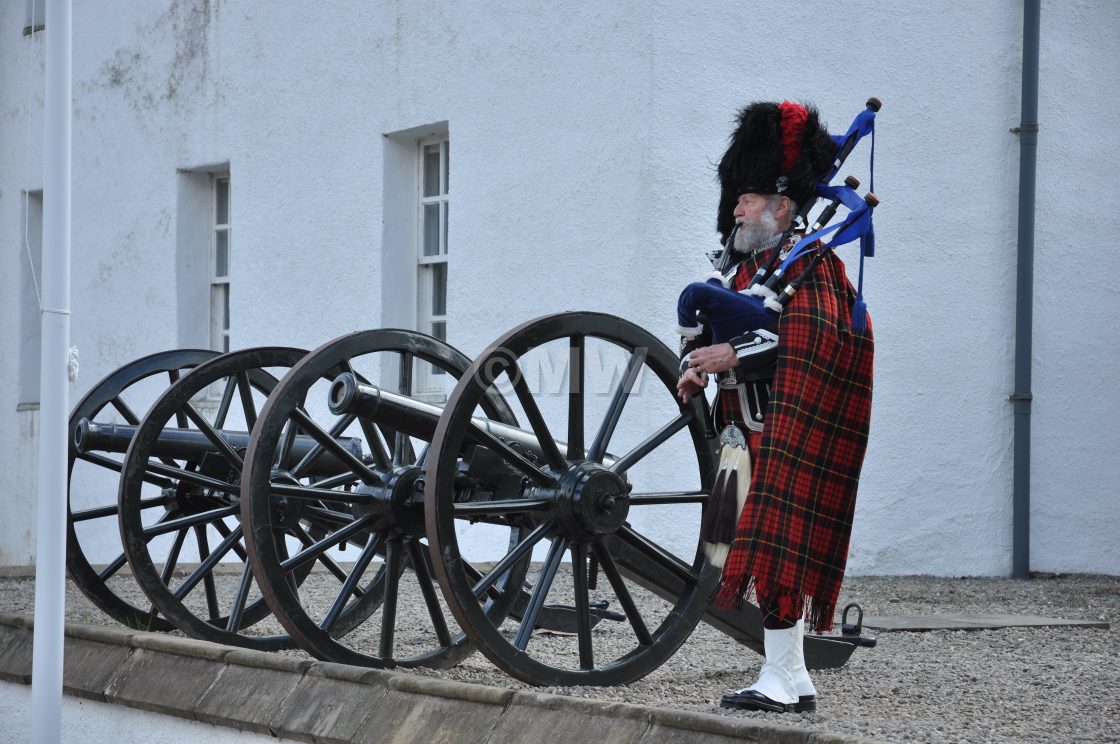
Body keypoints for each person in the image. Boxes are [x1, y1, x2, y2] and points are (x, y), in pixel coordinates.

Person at [676, 100, 874, 714]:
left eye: (749, 195)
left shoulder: (815, 266)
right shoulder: (750, 272)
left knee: (779, 549)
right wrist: (700, 368)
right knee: (767, 553)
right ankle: (789, 675)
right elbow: (720, 336)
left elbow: (817, 339)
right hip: (746, 430)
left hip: (786, 425)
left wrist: (733, 353)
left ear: (782, 205)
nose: (735, 205)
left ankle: (783, 678)